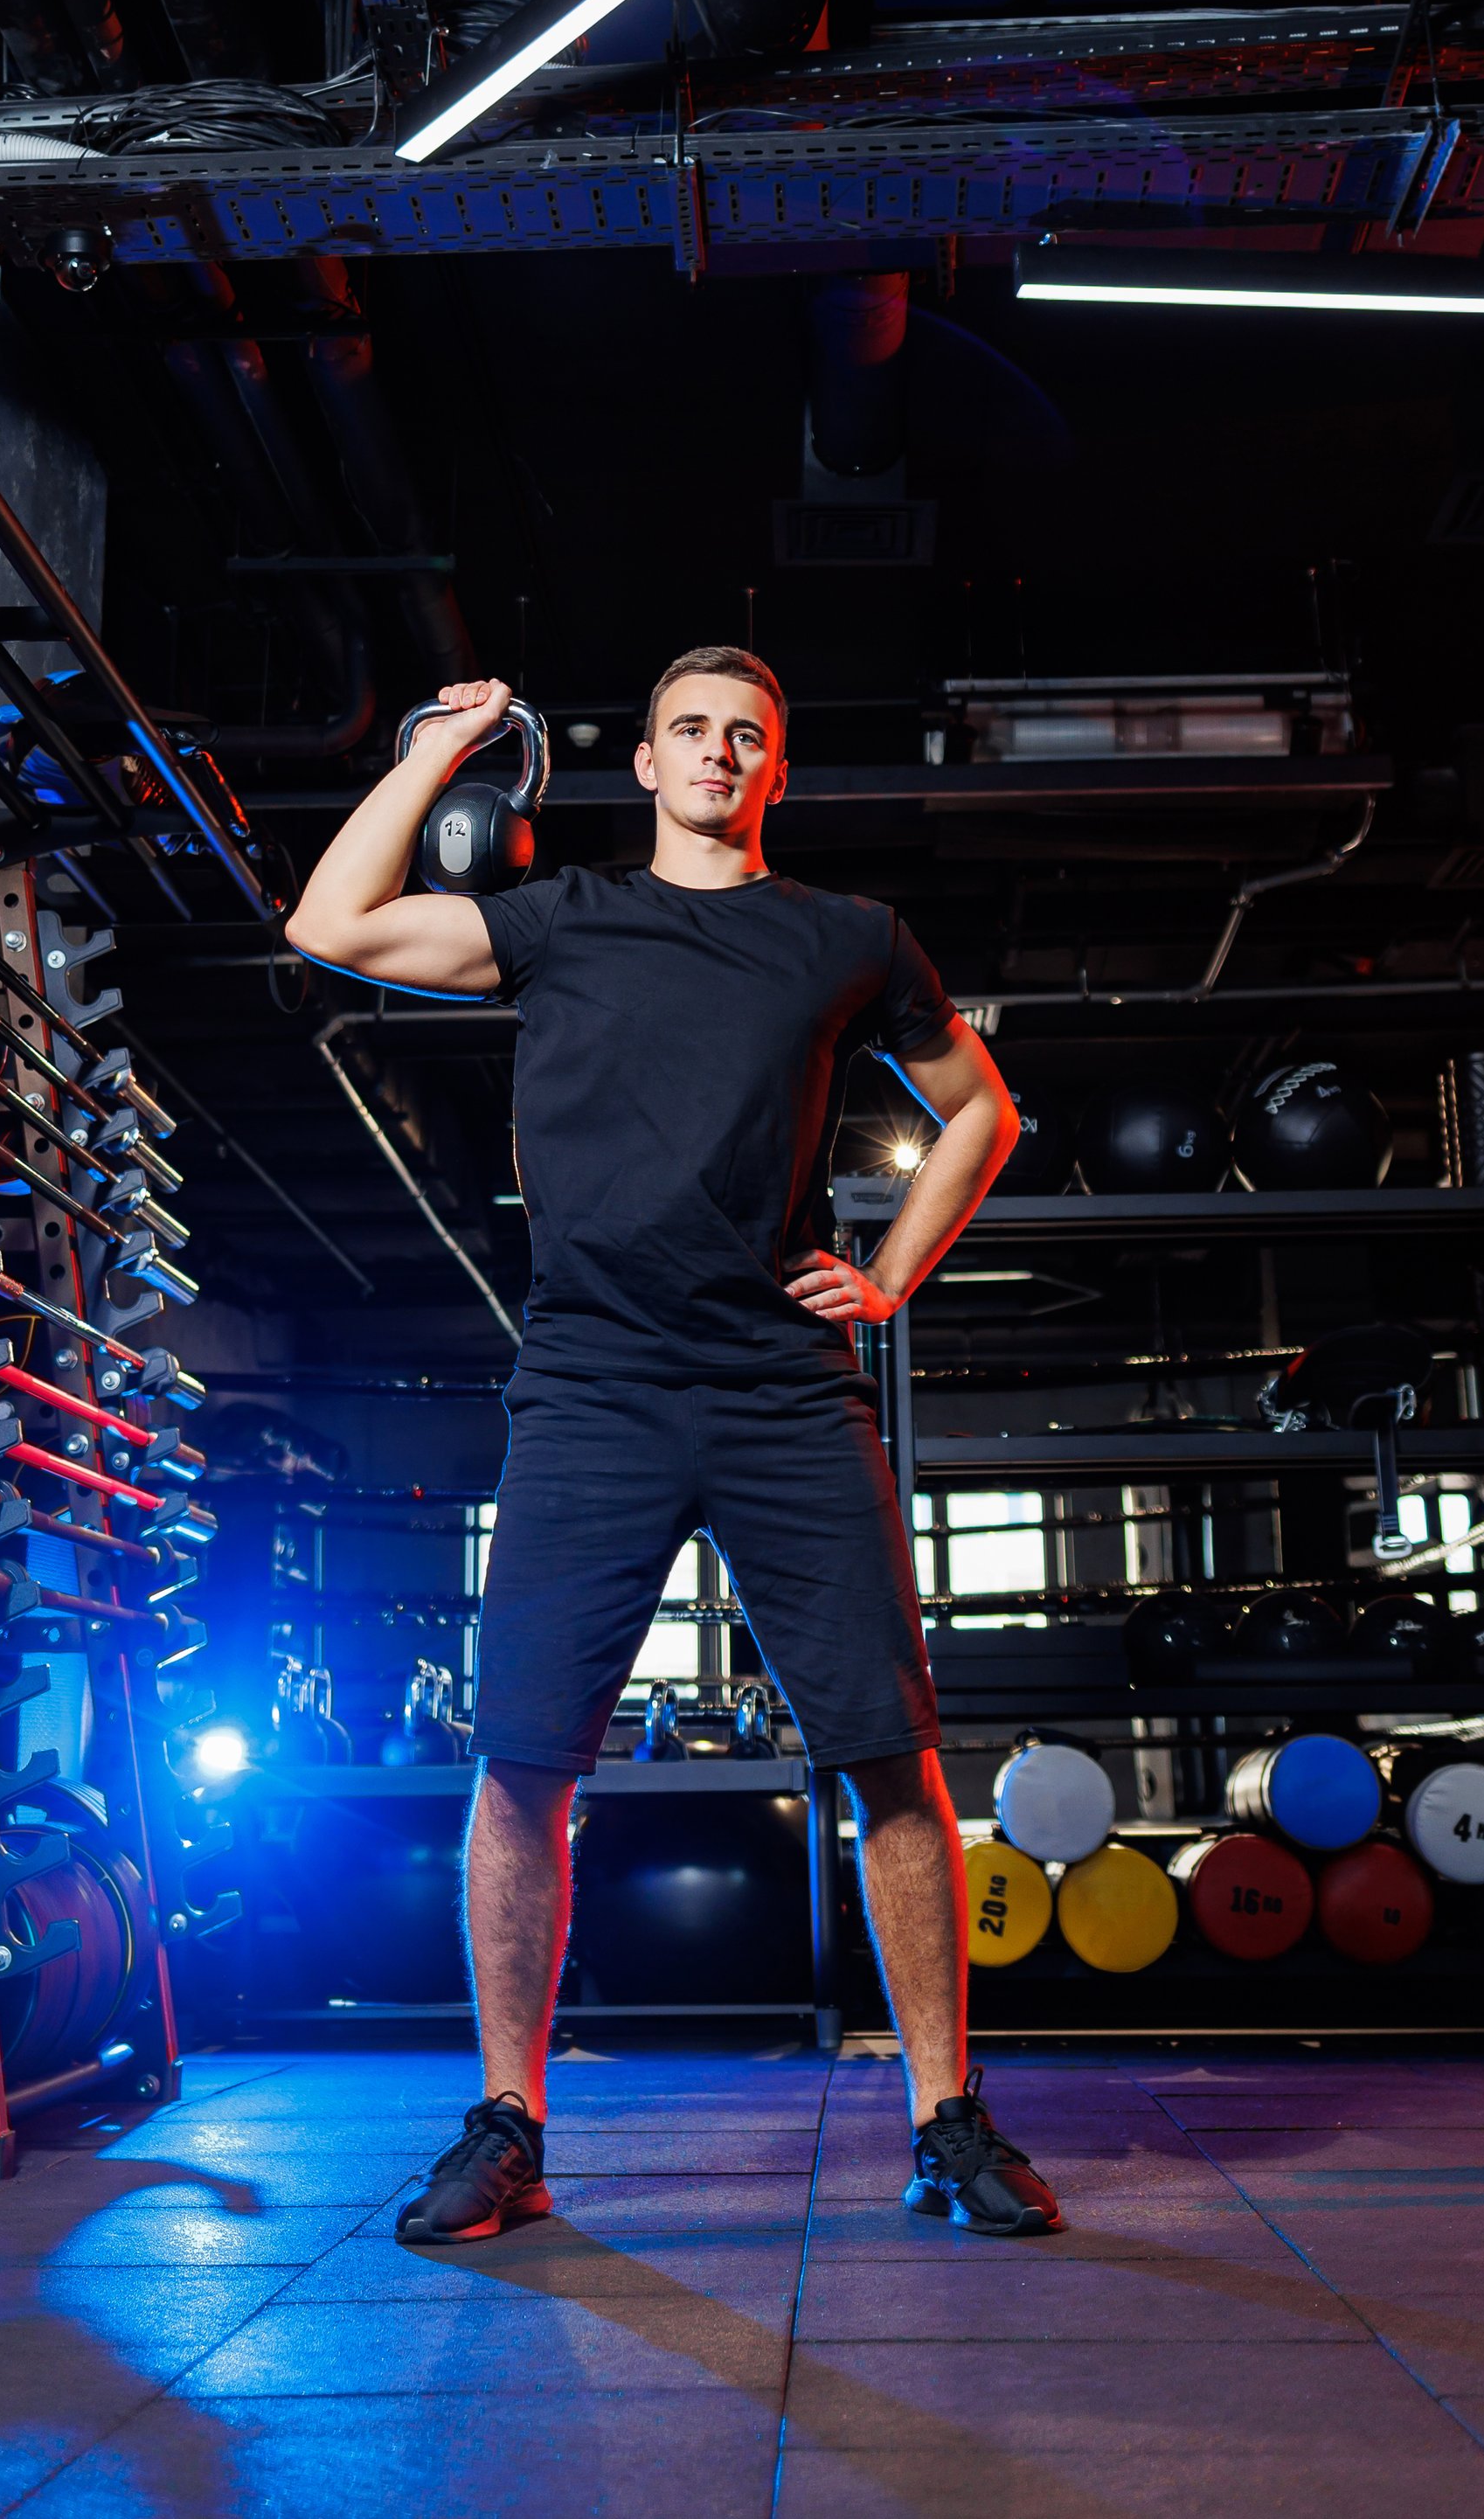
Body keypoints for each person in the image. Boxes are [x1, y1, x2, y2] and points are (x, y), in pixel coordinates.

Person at [287, 648, 1063, 2242]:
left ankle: (946, 2117)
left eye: (749, 737)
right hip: (590, 1386)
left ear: (774, 769)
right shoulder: (561, 919)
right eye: (693, 731)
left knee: (890, 1754)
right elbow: (331, 923)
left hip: (784, 1385)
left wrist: (894, 1268)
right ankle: (508, 2123)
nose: (721, 753)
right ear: (644, 763)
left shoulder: (847, 940)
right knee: (523, 1762)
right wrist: (436, 752)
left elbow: (977, 1108)